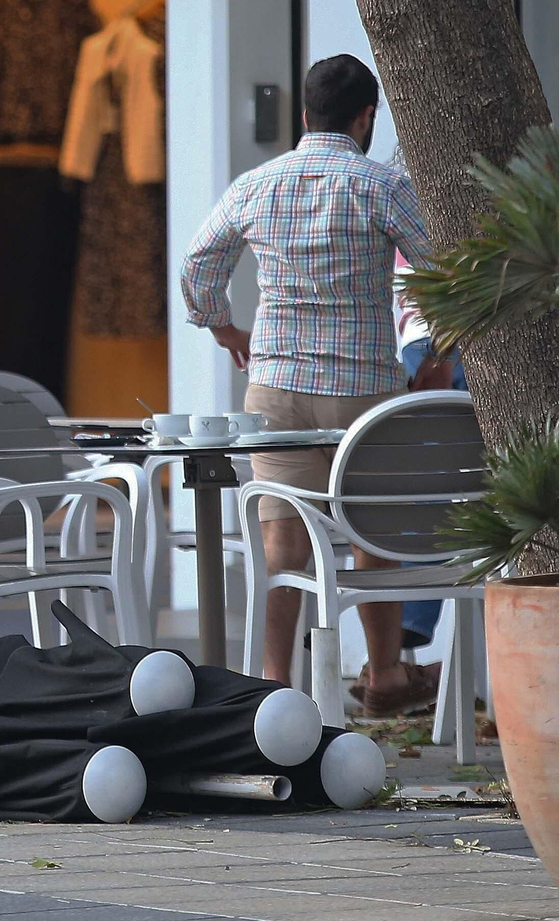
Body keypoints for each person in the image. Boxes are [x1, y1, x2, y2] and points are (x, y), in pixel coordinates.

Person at [180, 54, 440, 716]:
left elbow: (198, 263)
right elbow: (444, 271)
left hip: (279, 393)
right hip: (365, 395)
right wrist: (440, 351)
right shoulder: (379, 185)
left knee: (282, 545)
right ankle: (383, 676)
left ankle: (275, 691)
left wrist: (224, 330)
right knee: (371, 539)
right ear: (366, 117)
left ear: (304, 114)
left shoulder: (257, 185)